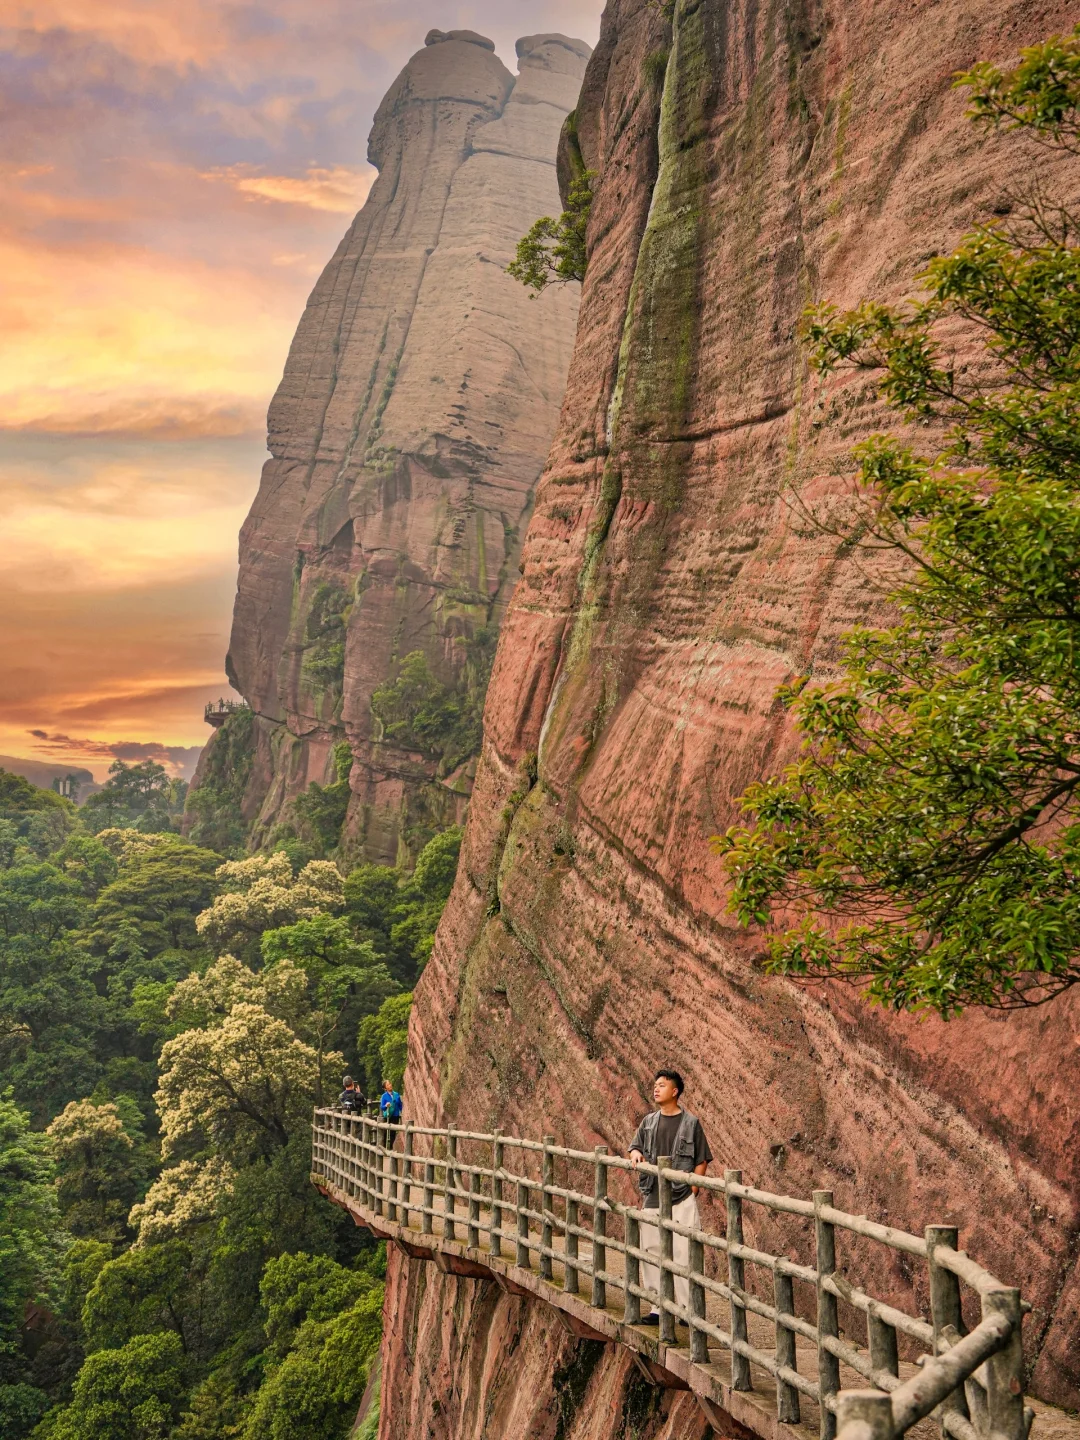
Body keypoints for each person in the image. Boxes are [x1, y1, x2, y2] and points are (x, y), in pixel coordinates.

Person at [628, 1069, 713, 1326]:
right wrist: (634, 1154)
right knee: (652, 1252)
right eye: (655, 1085)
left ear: (675, 1091)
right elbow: (635, 1146)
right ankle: (659, 1307)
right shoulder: (649, 1122)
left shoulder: (691, 1123)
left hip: (682, 1198)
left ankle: (688, 1311)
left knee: (684, 1253)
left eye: (662, 1085)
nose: (656, 1089)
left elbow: (701, 1160)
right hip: (653, 1197)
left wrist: (693, 1191)